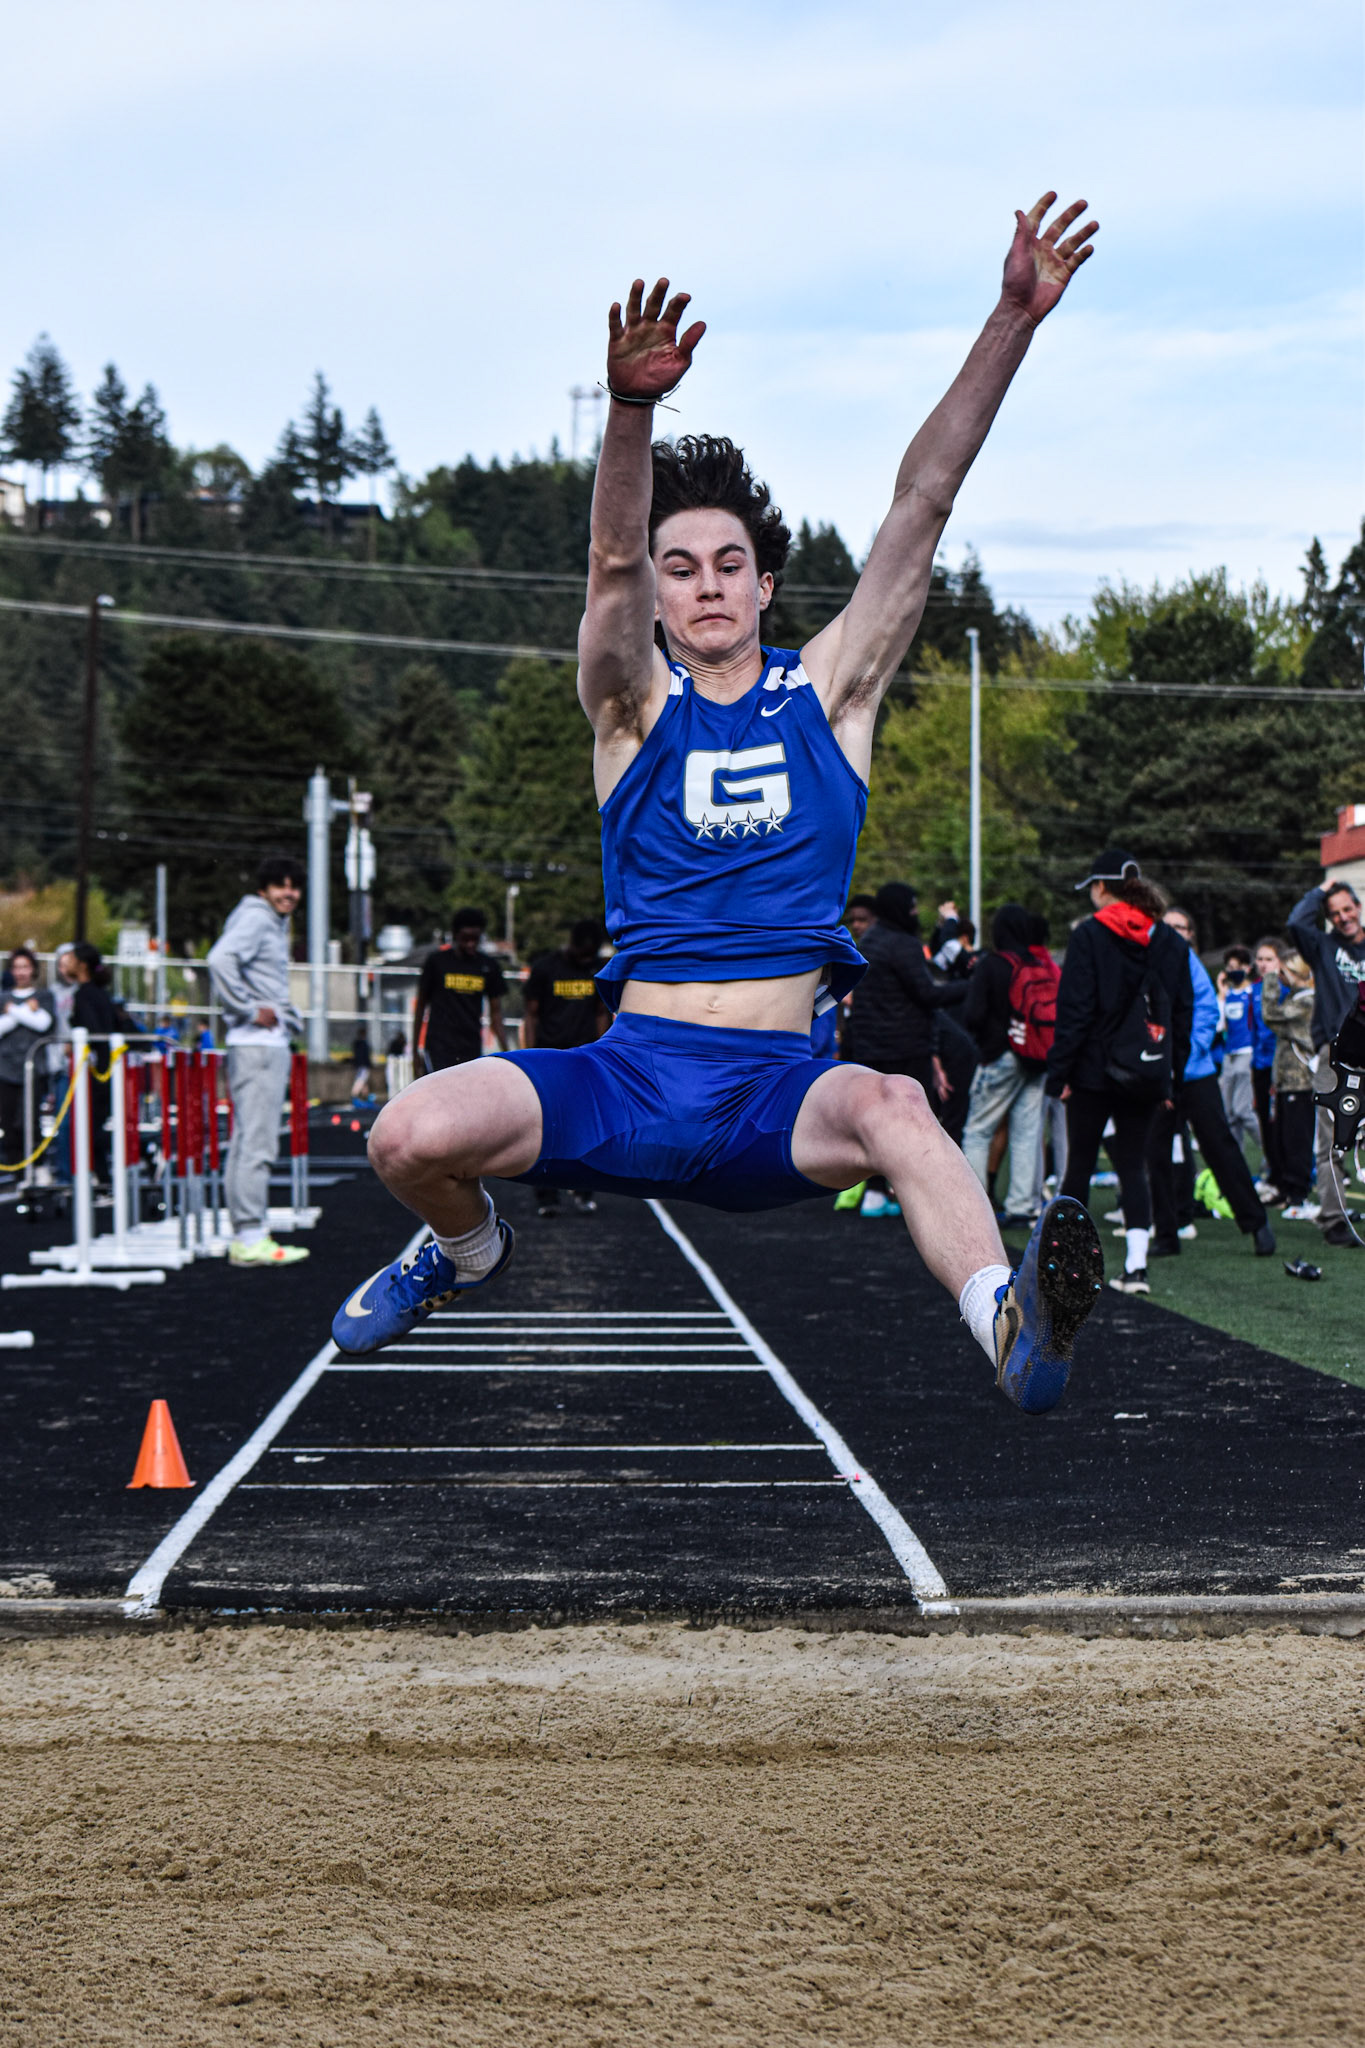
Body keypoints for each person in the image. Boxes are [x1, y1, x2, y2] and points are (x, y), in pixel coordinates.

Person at [335, 193, 1107, 1418]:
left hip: (775, 1095)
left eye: (728, 564)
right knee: (406, 1134)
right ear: (658, 595)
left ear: (765, 584)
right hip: (630, 1077)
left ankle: (1007, 1323)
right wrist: (629, 411)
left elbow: (923, 500)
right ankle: (469, 1250)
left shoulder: (833, 693)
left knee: (898, 1101)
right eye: (681, 567)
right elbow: (609, 563)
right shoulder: (630, 709)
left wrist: (1012, 317)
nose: (704, 585)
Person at [1046, 852, 1192, 1295]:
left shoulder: (1089, 934)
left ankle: (1067, 1267)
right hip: (1145, 1069)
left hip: (1091, 1070)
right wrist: (1172, 1075)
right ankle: (1136, 1267)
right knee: (1133, 1165)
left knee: (1080, 1164)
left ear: (1100, 887)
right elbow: (1182, 1013)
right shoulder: (1169, 940)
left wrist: (1059, 1074)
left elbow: (1074, 1011)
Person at [1149, 906, 1275, 1265]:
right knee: (1155, 1153)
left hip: (1195, 1071)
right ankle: (1167, 1233)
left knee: (1219, 1146)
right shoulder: (1144, 958)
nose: (1174, 931)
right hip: (1158, 1075)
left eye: (1181, 927)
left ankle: (1256, 1222)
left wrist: (1185, 1057)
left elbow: (1207, 1011)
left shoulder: (1189, 963)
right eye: (1168, 926)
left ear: (1190, 934)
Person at [206, 854, 310, 1270]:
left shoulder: (265, 920)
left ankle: (246, 1234)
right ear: (264, 889)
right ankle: (250, 1235)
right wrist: (249, 1009)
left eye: (294, 886)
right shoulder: (257, 918)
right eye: (281, 885)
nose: (289, 893)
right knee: (257, 1142)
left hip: (255, 1043)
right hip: (258, 1045)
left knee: (247, 1139)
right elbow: (219, 959)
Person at [961, 904, 1056, 1226]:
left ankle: (974, 1208)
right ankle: (1022, 1206)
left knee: (978, 1131)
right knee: (1027, 1134)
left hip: (1000, 1055)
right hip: (1037, 1057)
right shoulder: (1038, 964)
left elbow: (973, 1014)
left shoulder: (993, 964)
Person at [1288, 880, 1365, 1249]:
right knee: (1334, 1142)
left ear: (1358, 907)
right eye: (1334, 913)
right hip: (1336, 1056)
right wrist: (1321, 890)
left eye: (1347, 909)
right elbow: (1296, 923)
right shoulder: (1323, 946)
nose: (1342, 917)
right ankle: (1334, 1219)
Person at [521, 918, 609, 1217]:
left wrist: (602, 1054)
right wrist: (529, 1056)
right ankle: (547, 1195)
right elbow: (531, 1016)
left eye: (590, 955)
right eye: (582, 954)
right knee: (546, 1128)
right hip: (549, 1059)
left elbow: (601, 1013)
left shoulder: (598, 969)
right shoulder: (546, 968)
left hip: (584, 1061)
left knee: (587, 1128)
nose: (585, 960)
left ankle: (583, 1191)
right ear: (572, 944)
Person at [68, 941, 138, 1184]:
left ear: (82, 965)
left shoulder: (85, 995)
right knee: (95, 1124)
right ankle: (103, 1176)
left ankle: (105, 1177)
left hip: (99, 1069)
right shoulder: (100, 994)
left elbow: (93, 1031)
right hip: (107, 1066)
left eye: (70, 958)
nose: (65, 964)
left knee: (92, 1126)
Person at [1259, 951, 1317, 1215]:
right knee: (1283, 1138)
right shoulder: (1296, 999)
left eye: (1283, 972)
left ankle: (1298, 1195)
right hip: (1286, 1083)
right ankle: (1285, 1189)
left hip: (1301, 1083)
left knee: (1296, 1141)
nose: (1280, 977)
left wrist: (1269, 979)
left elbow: (1271, 1015)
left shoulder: (1307, 1002)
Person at [413, 910, 507, 1073]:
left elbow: (496, 1013)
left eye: (475, 939)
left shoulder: (488, 966)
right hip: (439, 1046)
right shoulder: (437, 962)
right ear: (456, 935)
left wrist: (507, 1052)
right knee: (440, 1087)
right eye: (466, 939)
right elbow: (421, 1006)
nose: (470, 944)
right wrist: (415, 1051)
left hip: (470, 1046)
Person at [0, 948, 56, 1169]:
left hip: (33, 1069)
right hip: (6, 1070)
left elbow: (43, 1023)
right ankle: (16, 1170)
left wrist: (13, 1011)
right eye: (17, 967)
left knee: (30, 1121)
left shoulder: (44, 996)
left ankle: (37, 1167)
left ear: (33, 969)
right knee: (8, 1122)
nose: (21, 972)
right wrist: (25, 1011)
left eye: (25, 967)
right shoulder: (4, 997)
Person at [1216, 945, 1260, 1156]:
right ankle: (1237, 1161)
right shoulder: (1228, 995)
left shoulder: (1252, 993)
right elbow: (1219, 1026)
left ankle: (1271, 1151)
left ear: (1247, 968)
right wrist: (1221, 993)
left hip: (1246, 1053)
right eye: (1229, 967)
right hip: (1229, 1055)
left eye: (1236, 967)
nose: (1232, 971)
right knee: (1229, 1114)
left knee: (1243, 1110)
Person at [1249, 941, 1280, 1195]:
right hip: (1258, 1065)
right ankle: (1272, 1173)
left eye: (1269, 959)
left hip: (1280, 1067)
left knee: (1282, 1124)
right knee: (1264, 1122)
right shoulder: (1253, 989)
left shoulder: (1285, 988)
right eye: (1260, 958)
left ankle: (1288, 1177)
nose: (1263, 964)